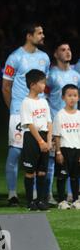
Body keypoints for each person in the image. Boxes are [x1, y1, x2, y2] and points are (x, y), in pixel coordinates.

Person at [2, 24, 50, 206]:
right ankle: (12, 194)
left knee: (40, 153)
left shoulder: (44, 58)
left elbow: (44, 84)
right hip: (19, 112)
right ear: (29, 36)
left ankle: (37, 195)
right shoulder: (15, 57)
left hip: (38, 112)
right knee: (15, 152)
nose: (42, 35)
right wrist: (15, 109)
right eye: (39, 33)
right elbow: (6, 87)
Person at [45, 41, 79, 204]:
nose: (67, 52)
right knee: (53, 160)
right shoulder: (51, 75)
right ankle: (49, 194)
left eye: (69, 49)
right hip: (56, 122)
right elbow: (44, 96)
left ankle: (73, 195)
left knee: (74, 161)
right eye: (63, 50)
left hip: (72, 124)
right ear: (56, 54)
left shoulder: (76, 75)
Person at [20, 69, 52, 211]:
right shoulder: (26, 102)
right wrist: (40, 141)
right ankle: (30, 201)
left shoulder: (44, 102)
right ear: (33, 85)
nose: (44, 85)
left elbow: (49, 122)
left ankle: (41, 200)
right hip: (32, 138)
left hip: (45, 136)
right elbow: (29, 124)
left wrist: (49, 141)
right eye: (41, 83)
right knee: (30, 171)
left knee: (42, 171)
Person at [53, 84, 80, 210]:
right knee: (62, 176)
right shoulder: (60, 115)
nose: (72, 99)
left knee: (75, 176)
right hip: (64, 149)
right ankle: (62, 201)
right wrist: (58, 152)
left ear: (78, 97)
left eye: (75, 95)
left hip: (77, 150)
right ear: (63, 97)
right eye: (69, 96)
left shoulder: (79, 115)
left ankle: (76, 200)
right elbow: (57, 135)